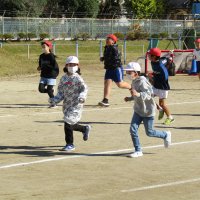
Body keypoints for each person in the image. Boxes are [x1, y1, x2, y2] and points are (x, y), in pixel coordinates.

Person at [124, 62, 171, 158]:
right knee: (133, 129)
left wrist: (138, 94)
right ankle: (138, 150)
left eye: (129, 72)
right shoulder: (134, 81)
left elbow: (149, 94)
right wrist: (130, 98)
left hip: (148, 111)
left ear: (136, 73)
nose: (127, 74)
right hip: (138, 110)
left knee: (149, 132)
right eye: (127, 72)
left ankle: (165, 135)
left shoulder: (142, 81)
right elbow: (136, 94)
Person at [49, 56, 91, 152]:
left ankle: (70, 144)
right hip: (67, 105)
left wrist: (82, 97)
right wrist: (55, 100)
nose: (72, 66)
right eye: (70, 64)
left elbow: (84, 89)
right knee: (71, 124)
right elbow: (61, 93)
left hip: (76, 105)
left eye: (74, 65)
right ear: (66, 65)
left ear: (78, 66)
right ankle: (84, 129)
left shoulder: (78, 78)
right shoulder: (63, 78)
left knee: (67, 122)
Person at [98, 34, 131, 107]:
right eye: (107, 38)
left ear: (113, 41)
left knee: (120, 84)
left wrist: (111, 60)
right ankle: (105, 100)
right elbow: (108, 56)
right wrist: (103, 58)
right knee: (107, 83)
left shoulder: (114, 48)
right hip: (109, 68)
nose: (107, 40)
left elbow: (117, 57)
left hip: (116, 68)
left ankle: (131, 87)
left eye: (109, 39)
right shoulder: (107, 48)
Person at [148, 47, 174, 125]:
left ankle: (170, 117)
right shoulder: (158, 61)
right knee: (147, 96)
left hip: (162, 86)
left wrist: (152, 78)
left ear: (154, 56)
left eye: (150, 55)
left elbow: (165, 76)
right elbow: (166, 59)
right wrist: (170, 54)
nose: (148, 56)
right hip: (156, 85)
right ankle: (160, 109)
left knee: (162, 104)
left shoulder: (159, 65)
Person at [37, 40, 59, 108]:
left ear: (49, 47)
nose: (43, 48)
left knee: (49, 90)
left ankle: (53, 103)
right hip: (44, 75)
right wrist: (39, 67)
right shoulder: (41, 56)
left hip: (51, 75)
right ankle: (51, 91)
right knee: (41, 89)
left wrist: (46, 67)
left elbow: (54, 66)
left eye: (44, 47)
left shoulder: (51, 56)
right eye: (42, 47)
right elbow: (40, 64)